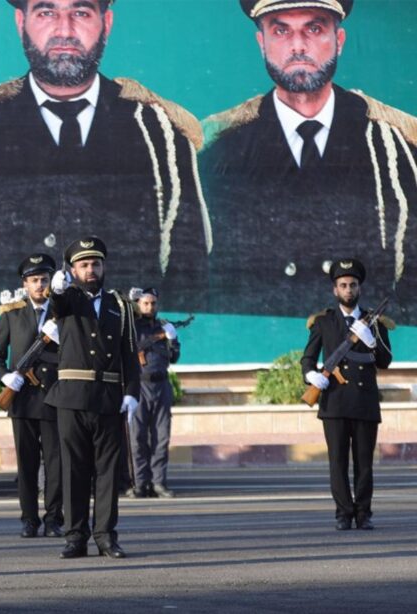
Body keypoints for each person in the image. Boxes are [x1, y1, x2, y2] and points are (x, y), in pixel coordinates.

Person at [0, 0, 210, 309]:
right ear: (20, 21)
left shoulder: (160, 136)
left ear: (107, 22)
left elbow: (190, 275)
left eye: (81, 12)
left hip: (118, 345)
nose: (64, 29)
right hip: (18, 346)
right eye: (47, 12)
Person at [201, 0, 416, 323]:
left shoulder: (400, 148)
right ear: (262, 43)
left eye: (314, 29)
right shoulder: (217, 152)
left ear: (339, 41)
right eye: (280, 30)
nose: (298, 46)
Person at [47, 237, 139, 560]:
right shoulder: (69, 299)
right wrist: (56, 291)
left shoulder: (121, 305)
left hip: (108, 397)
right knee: (73, 469)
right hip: (72, 397)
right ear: (73, 270)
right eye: (84, 265)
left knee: (108, 472)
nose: (90, 270)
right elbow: (56, 307)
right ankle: (75, 536)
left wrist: (132, 393)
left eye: (95, 264)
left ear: (103, 267)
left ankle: (105, 535)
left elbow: (130, 353)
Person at [301, 258, 393, 531]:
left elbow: (385, 361)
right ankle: (343, 513)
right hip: (335, 402)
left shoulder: (375, 322)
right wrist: (311, 375)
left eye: (353, 285)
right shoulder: (323, 322)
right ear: (335, 290)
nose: (348, 290)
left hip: (364, 403)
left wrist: (372, 340)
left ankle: (363, 513)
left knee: (364, 463)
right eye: (343, 285)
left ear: (359, 288)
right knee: (338, 462)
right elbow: (308, 358)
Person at [0, 254, 64, 538]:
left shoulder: (62, 314)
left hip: (53, 397)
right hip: (21, 399)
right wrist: (4, 376)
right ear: (25, 284)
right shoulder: (12, 315)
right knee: (27, 462)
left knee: (56, 463)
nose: (40, 285)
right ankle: (29, 519)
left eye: (44, 280)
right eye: (34, 280)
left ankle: (54, 518)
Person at [128, 287, 179, 499]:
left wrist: (172, 340)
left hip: (161, 385)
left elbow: (174, 357)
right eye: (145, 303)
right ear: (139, 304)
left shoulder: (164, 326)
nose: (150, 306)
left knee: (161, 437)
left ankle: (159, 482)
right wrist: (130, 301)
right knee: (137, 437)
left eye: (153, 303)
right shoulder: (132, 327)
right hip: (139, 386)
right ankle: (141, 483)